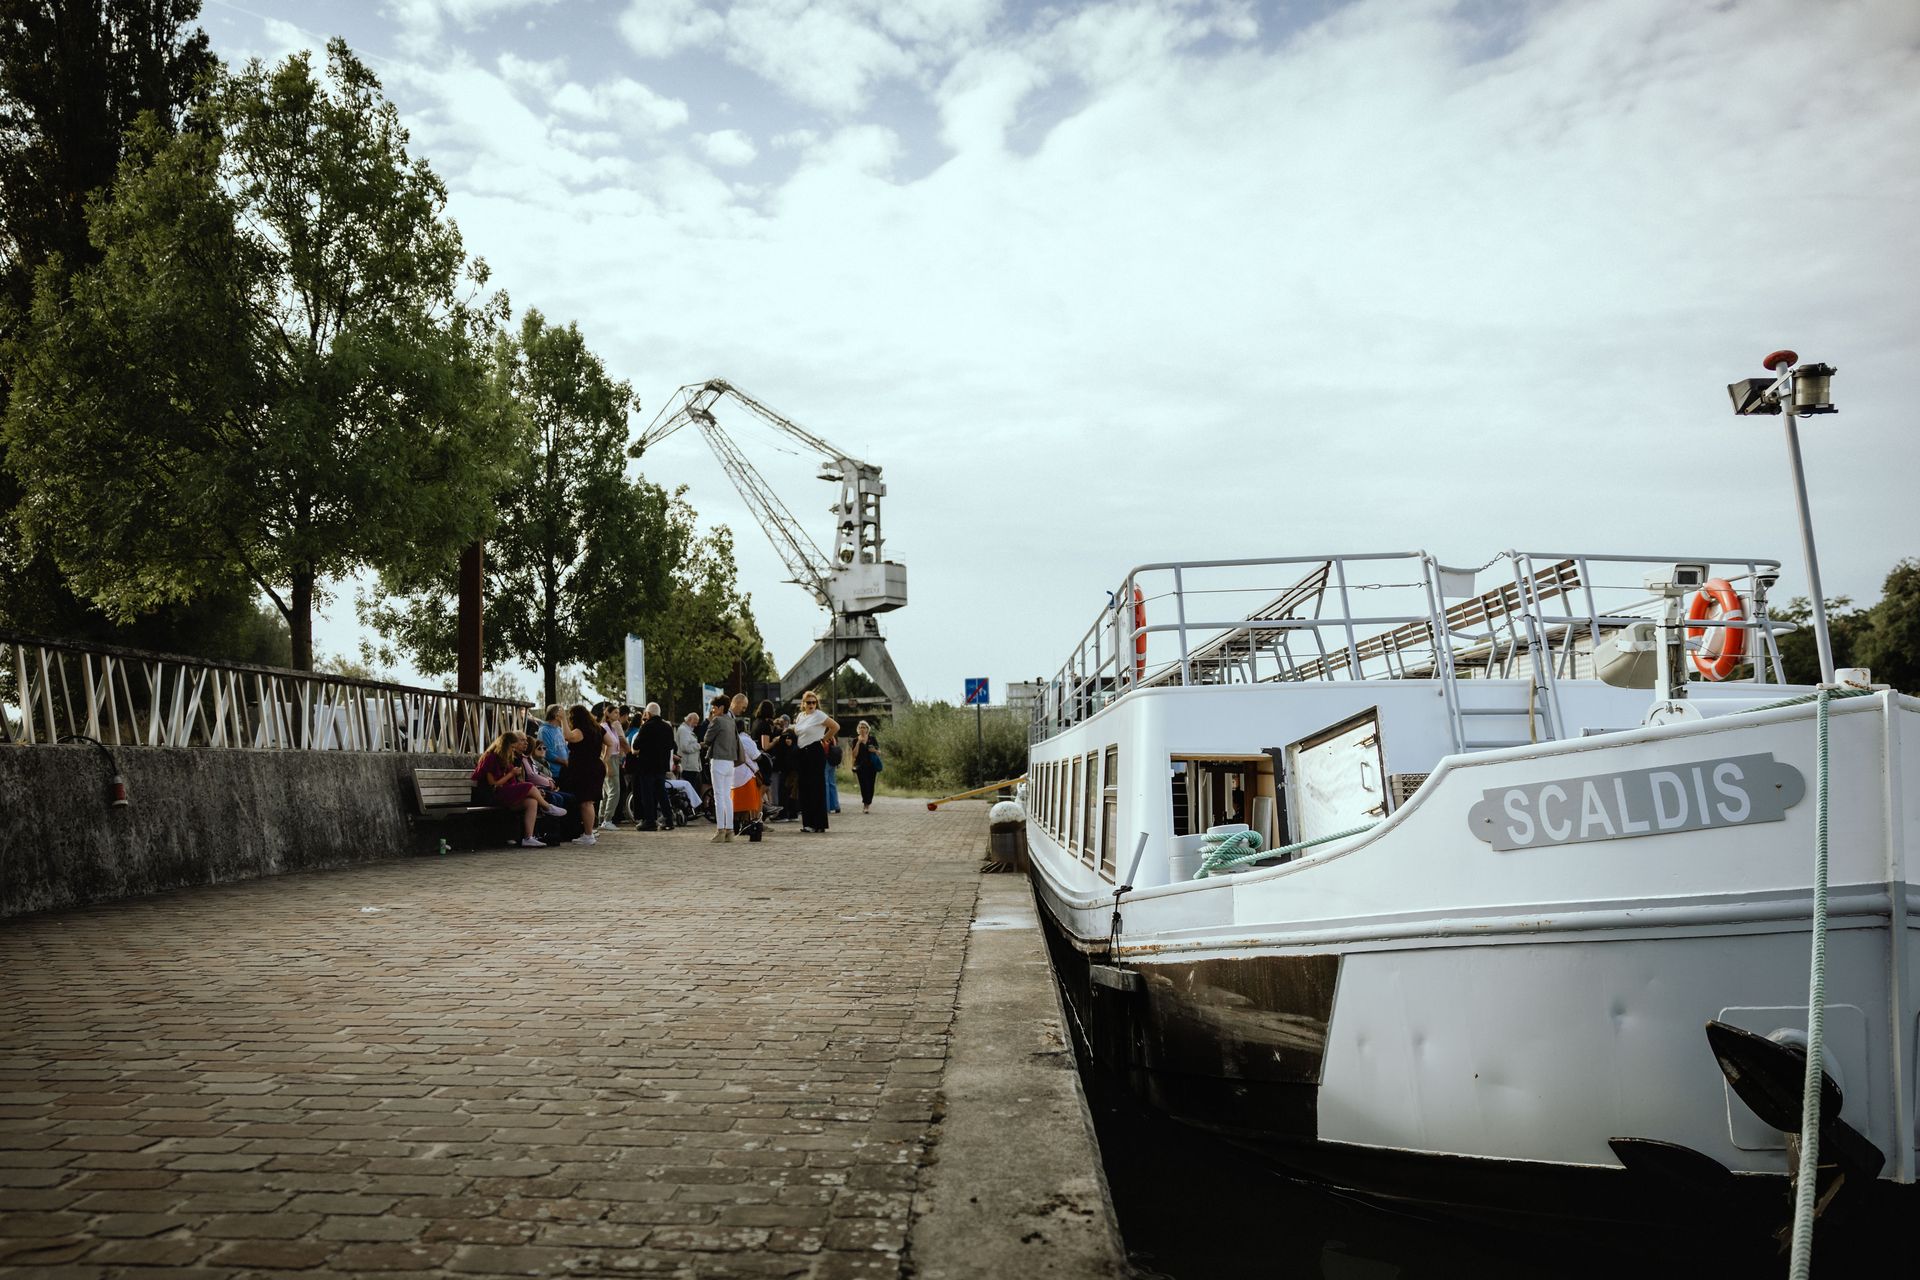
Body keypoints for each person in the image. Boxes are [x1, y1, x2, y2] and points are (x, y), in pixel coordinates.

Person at [472, 731, 562, 848]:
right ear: (505, 746)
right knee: (529, 786)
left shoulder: (506, 758)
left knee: (532, 802)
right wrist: (511, 774)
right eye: (512, 748)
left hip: (505, 792)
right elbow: (493, 784)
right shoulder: (490, 758)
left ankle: (528, 838)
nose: (513, 751)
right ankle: (547, 807)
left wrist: (530, 791)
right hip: (492, 794)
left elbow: (513, 783)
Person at [791, 690, 838, 833]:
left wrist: (824, 739)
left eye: (814, 702)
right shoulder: (800, 716)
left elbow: (835, 726)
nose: (811, 705)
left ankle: (819, 824)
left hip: (814, 751)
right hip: (802, 753)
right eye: (808, 702)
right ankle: (808, 823)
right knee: (804, 787)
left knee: (816, 787)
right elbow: (798, 732)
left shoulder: (819, 715)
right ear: (803, 703)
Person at [558, 705, 604, 843]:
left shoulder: (581, 730)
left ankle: (589, 835)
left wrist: (563, 719)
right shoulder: (597, 729)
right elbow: (611, 742)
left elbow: (568, 736)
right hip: (595, 766)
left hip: (585, 769)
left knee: (585, 802)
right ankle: (588, 832)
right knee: (588, 801)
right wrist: (605, 758)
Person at [701, 694, 739, 844]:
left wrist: (711, 721)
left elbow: (707, 739)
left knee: (718, 797)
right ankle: (730, 830)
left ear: (721, 708)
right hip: (730, 762)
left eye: (714, 708)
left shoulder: (717, 721)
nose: (712, 710)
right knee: (727, 797)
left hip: (718, 761)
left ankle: (720, 830)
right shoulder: (731, 721)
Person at [632, 702, 675, 831]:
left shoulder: (646, 726)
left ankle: (650, 821)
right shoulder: (667, 727)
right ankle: (669, 820)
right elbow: (671, 745)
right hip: (661, 766)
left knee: (648, 794)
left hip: (647, 765)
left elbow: (636, 745)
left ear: (648, 713)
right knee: (662, 793)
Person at [597, 703, 627, 828]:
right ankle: (607, 819)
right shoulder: (603, 727)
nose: (617, 715)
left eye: (618, 713)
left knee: (607, 791)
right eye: (615, 712)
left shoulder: (613, 728)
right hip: (609, 759)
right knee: (614, 791)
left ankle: (602, 818)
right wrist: (606, 763)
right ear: (607, 714)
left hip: (614, 759)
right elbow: (604, 747)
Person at [851, 720, 881, 813]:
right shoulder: (855, 740)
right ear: (858, 729)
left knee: (871, 785)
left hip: (872, 766)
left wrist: (874, 751)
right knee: (863, 786)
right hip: (861, 766)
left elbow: (879, 752)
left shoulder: (872, 739)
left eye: (864, 727)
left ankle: (868, 802)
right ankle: (865, 805)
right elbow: (854, 755)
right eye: (860, 727)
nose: (862, 729)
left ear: (867, 729)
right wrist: (858, 743)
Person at [823, 721, 842, 815]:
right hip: (833, 761)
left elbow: (823, 748)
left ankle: (826, 807)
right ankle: (836, 805)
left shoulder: (824, 737)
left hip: (825, 761)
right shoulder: (833, 737)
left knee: (825, 784)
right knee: (832, 783)